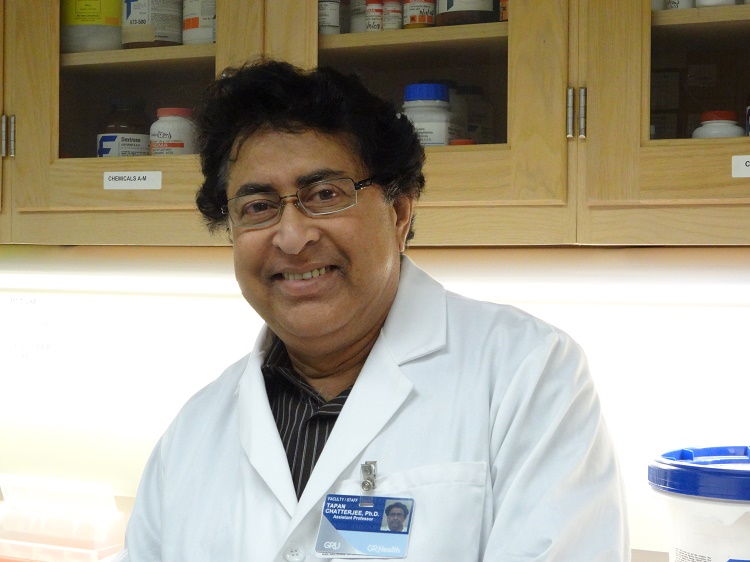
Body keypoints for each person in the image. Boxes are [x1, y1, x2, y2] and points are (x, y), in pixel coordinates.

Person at [115, 59, 630, 561]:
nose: (292, 237)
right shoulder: (193, 433)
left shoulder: (526, 373)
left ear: (399, 212)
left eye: (325, 194)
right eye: (258, 207)